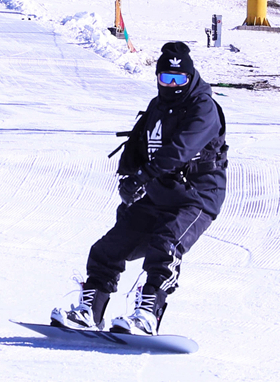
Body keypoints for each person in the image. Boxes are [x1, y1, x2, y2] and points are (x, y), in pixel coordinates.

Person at [52, 41, 228, 335]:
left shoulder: (204, 108)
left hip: (197, 197)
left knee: (165, 246)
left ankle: (147, 315)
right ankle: (90, 312)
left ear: (190, 77)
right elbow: (137, 142)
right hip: (160, 193)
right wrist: (128, 176)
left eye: (179, 79)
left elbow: (180, 150)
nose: (172, 85)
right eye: (166, 79)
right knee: (107, 249)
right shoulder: (157, 107)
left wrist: (144, 176)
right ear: (157, 78)